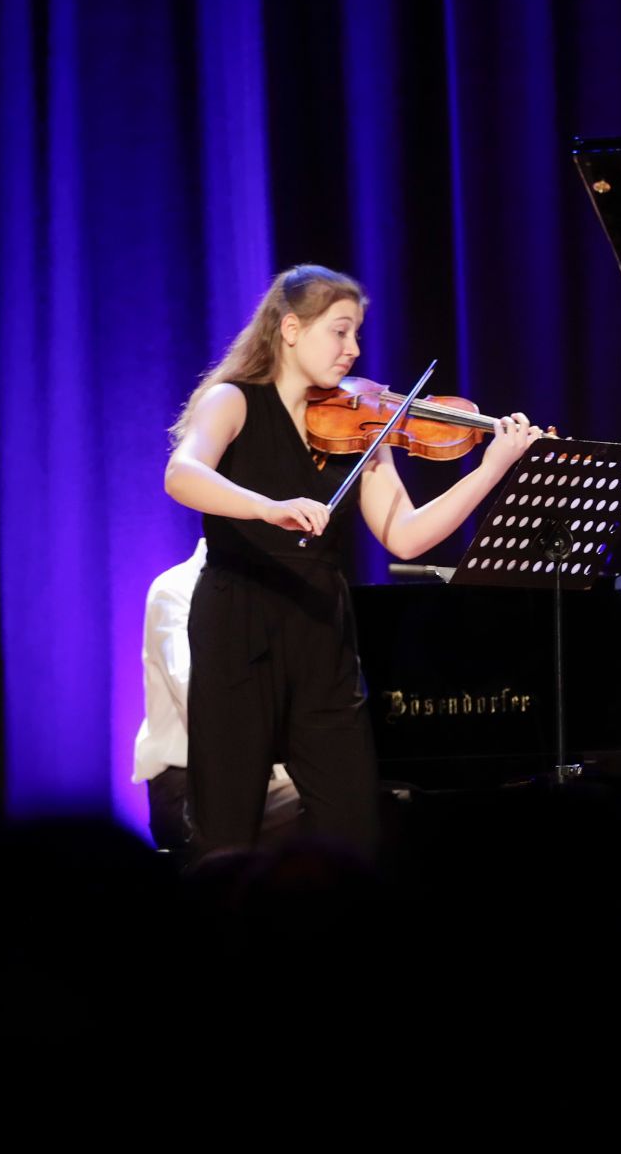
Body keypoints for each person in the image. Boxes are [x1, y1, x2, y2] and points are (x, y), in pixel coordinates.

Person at [164, 264, 540, 857]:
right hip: (240, 618)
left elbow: (407, 536)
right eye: (340, 332)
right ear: (290, 328)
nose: (354, 350)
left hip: (320, 626)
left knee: (354, 829)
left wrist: (491, 470)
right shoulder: (232, 401)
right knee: (226, 829)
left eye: (357, 334)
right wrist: (267, 507)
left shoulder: (360, 423)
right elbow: (182, 475)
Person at [131, 538, 301, 854]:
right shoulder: (176, 590)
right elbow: (197, 699)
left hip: (271, 778)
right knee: (321, 812)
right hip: (190, 783)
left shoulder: (283, 590)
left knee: (365, 802)